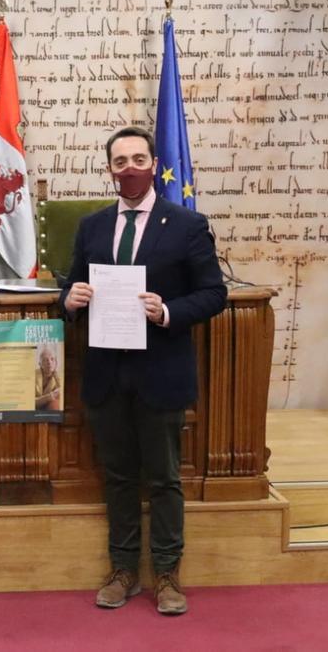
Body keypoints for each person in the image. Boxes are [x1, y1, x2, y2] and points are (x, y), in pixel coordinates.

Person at [60, 126, 226, 615]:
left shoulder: (187, 225)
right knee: (117, 477)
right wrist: (69, 301)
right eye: (119, 162)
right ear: (109, 170)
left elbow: (214, 293)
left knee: (165, 479)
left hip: (161, 371)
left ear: (154, 165)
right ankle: (124, 570)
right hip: (107, 373)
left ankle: (168, 576)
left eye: (137, 159)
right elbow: (68, 288)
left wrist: (169, 310)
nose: (129, 169)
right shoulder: (91, 227)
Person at [34, 344, 62, 411]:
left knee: (55, 404)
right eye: (45, 360)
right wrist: (48, 397)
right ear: (40, 364)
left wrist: (56, 376)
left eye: (52, 359)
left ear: (56, 362)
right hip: (33, 409)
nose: (49, 362)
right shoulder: (33, 375)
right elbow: (29, 401)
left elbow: (61, 392)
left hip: (47, 407)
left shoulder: (57, 376)